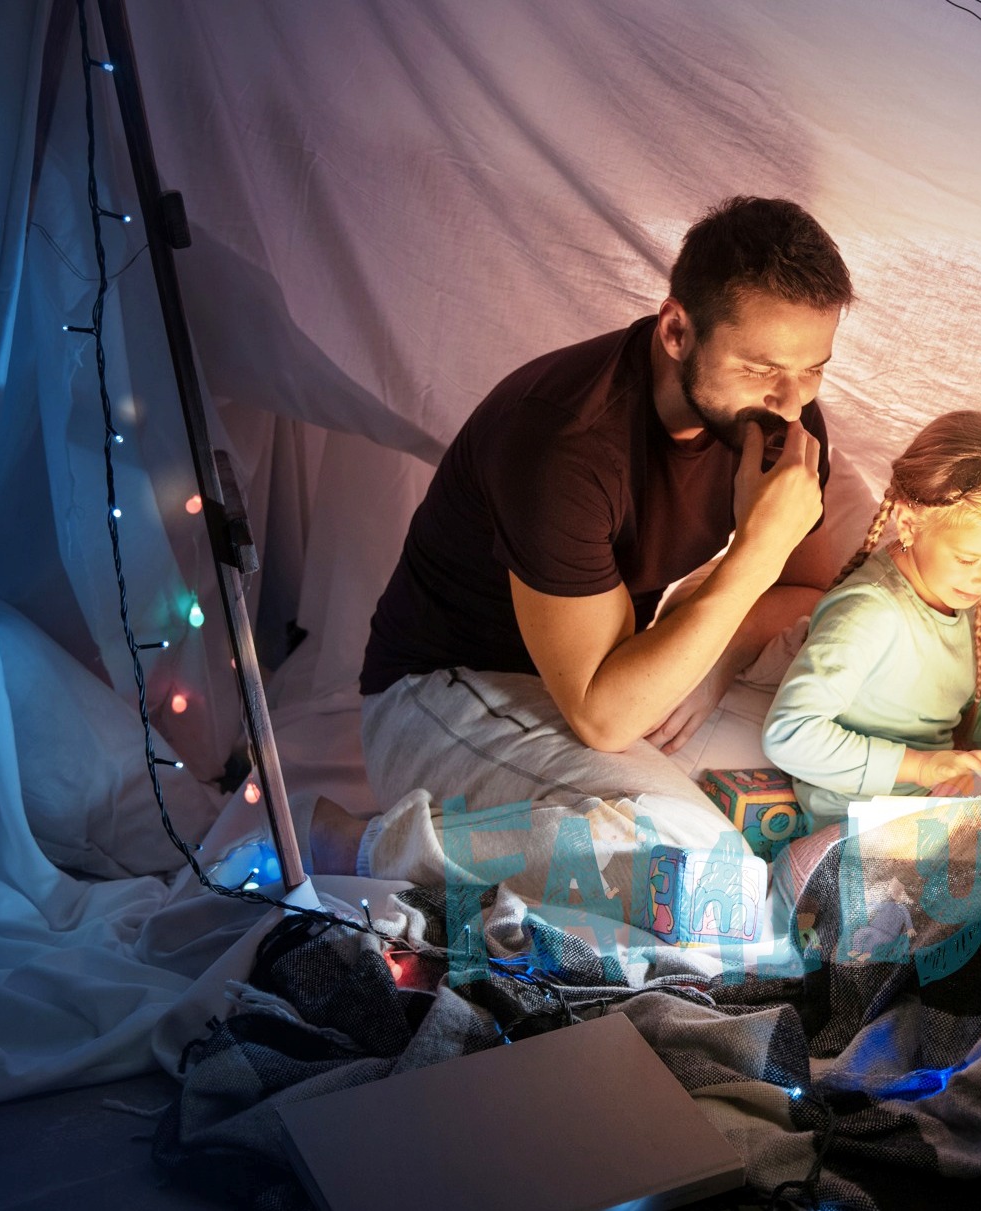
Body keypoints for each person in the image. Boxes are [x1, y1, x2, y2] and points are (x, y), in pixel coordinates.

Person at [311, 198, 852, 935]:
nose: (791, 402)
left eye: (813, 369)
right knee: (710, 885)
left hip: (604, 674)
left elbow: (804, 588)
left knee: (808, 791)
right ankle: (370, 842)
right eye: (760, 367)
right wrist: (756, 550)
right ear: (676, 329)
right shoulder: (563, 440)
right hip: (444, 691)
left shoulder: (780, 418)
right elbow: (600, 714)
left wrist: (715, 662)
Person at [763, 411, 981, 828]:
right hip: (873, 817)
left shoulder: (956, 594)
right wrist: (922, 766)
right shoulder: (870, 612)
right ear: (909, 523)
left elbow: (971, 719)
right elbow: (788, 735)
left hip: (946, 796)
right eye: (969, 559)